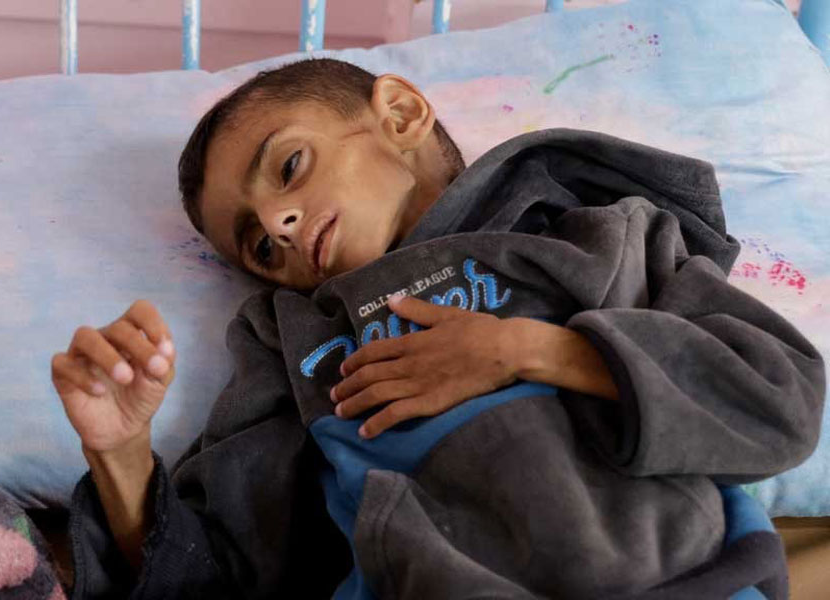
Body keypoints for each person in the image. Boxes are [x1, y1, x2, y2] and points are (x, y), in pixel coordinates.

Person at [51, 59, 825, 599]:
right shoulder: (293, 344)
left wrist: (533, 350)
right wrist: (120, 455)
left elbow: (778, 401)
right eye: (256, 244)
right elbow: (231, 575)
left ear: (400, 114)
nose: (279, 225)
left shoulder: (605, 236)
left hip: (672, 578)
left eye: (287, 168)